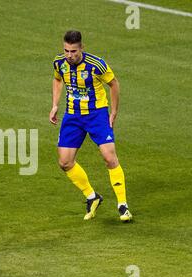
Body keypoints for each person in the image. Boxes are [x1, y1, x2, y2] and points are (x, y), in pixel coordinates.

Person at [49, 30, 132, 222]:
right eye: (66, 50)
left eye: (73, 51)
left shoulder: (96, 65)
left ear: (81, 48)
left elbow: (114, 84)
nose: (69, 55)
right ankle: (92, 197)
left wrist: (114, 111)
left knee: (109, 157)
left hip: (97, 115)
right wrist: (55, 105)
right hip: (73, 116)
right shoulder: (59, 63)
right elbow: (57, 79)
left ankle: (123, 206)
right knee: (65, 162)